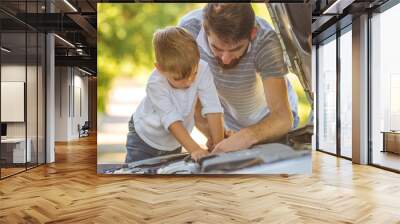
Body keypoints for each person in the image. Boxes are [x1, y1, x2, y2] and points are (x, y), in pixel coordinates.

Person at [179, 3, 299, 153]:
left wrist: (247, 136)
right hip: (232, 127)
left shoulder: (265, 41)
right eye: (217, 48)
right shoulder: (187, 33)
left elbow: (282, 118)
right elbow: (192, 104)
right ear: (205, 28)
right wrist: (217, 137)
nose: (225, 59)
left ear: (252, 33)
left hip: (271, 126)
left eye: (236, 49)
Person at [125, 26, 224, 163]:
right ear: (159, 68)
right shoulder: (155, 84)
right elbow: (172, 120)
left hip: (174, 141)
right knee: (135, 178)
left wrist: (219, 146)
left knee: (168, 178)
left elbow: (213, 108)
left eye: (193, 74)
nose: (188, 82)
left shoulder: (202, 69)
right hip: (144, 139)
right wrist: (195, 149)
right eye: (178, 78)